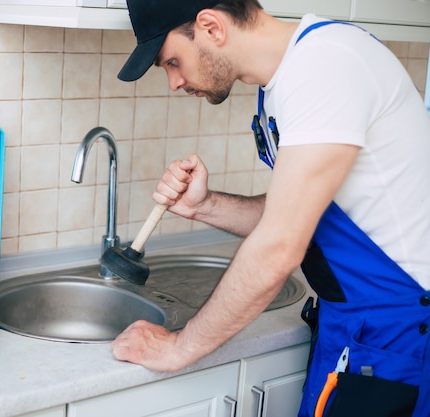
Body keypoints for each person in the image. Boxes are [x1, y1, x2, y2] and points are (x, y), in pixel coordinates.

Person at [110, 1, 430, 416]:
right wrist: (205, 206)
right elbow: (301, 215)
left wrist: (179, 347)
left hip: (399, 335)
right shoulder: (281, 84)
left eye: (172, 61)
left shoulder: (325, 66)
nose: (174, 82)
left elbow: (279, 247)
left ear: (211, 27)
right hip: (354, 326)